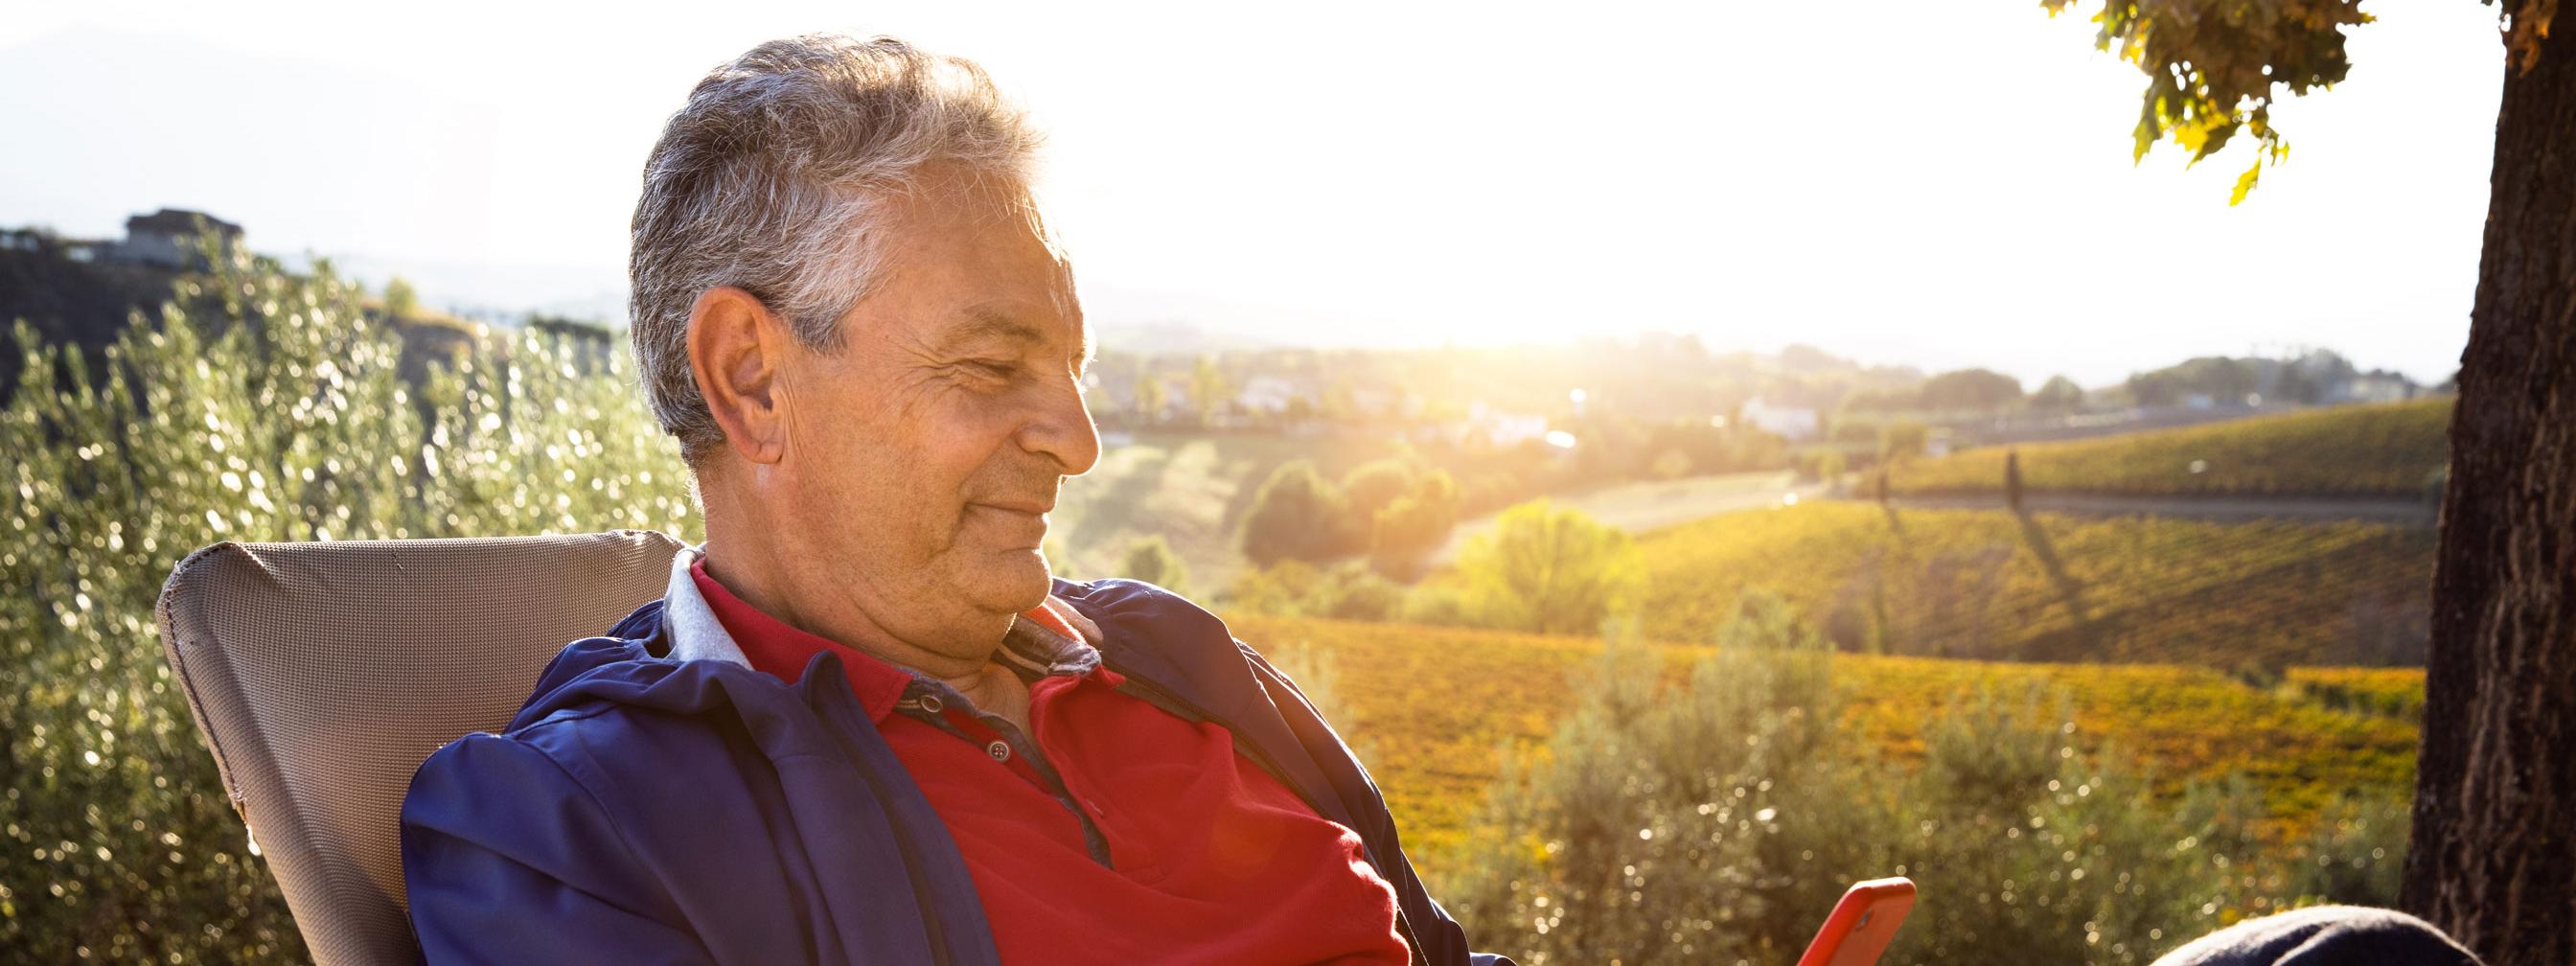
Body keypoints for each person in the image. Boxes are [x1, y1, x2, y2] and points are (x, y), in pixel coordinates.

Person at [399, 34, 1500, 965]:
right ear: (752, 381)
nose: (1079, 442)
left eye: (1074, 369)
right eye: (991, 367)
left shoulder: (1174, 654)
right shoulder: (579, 825)